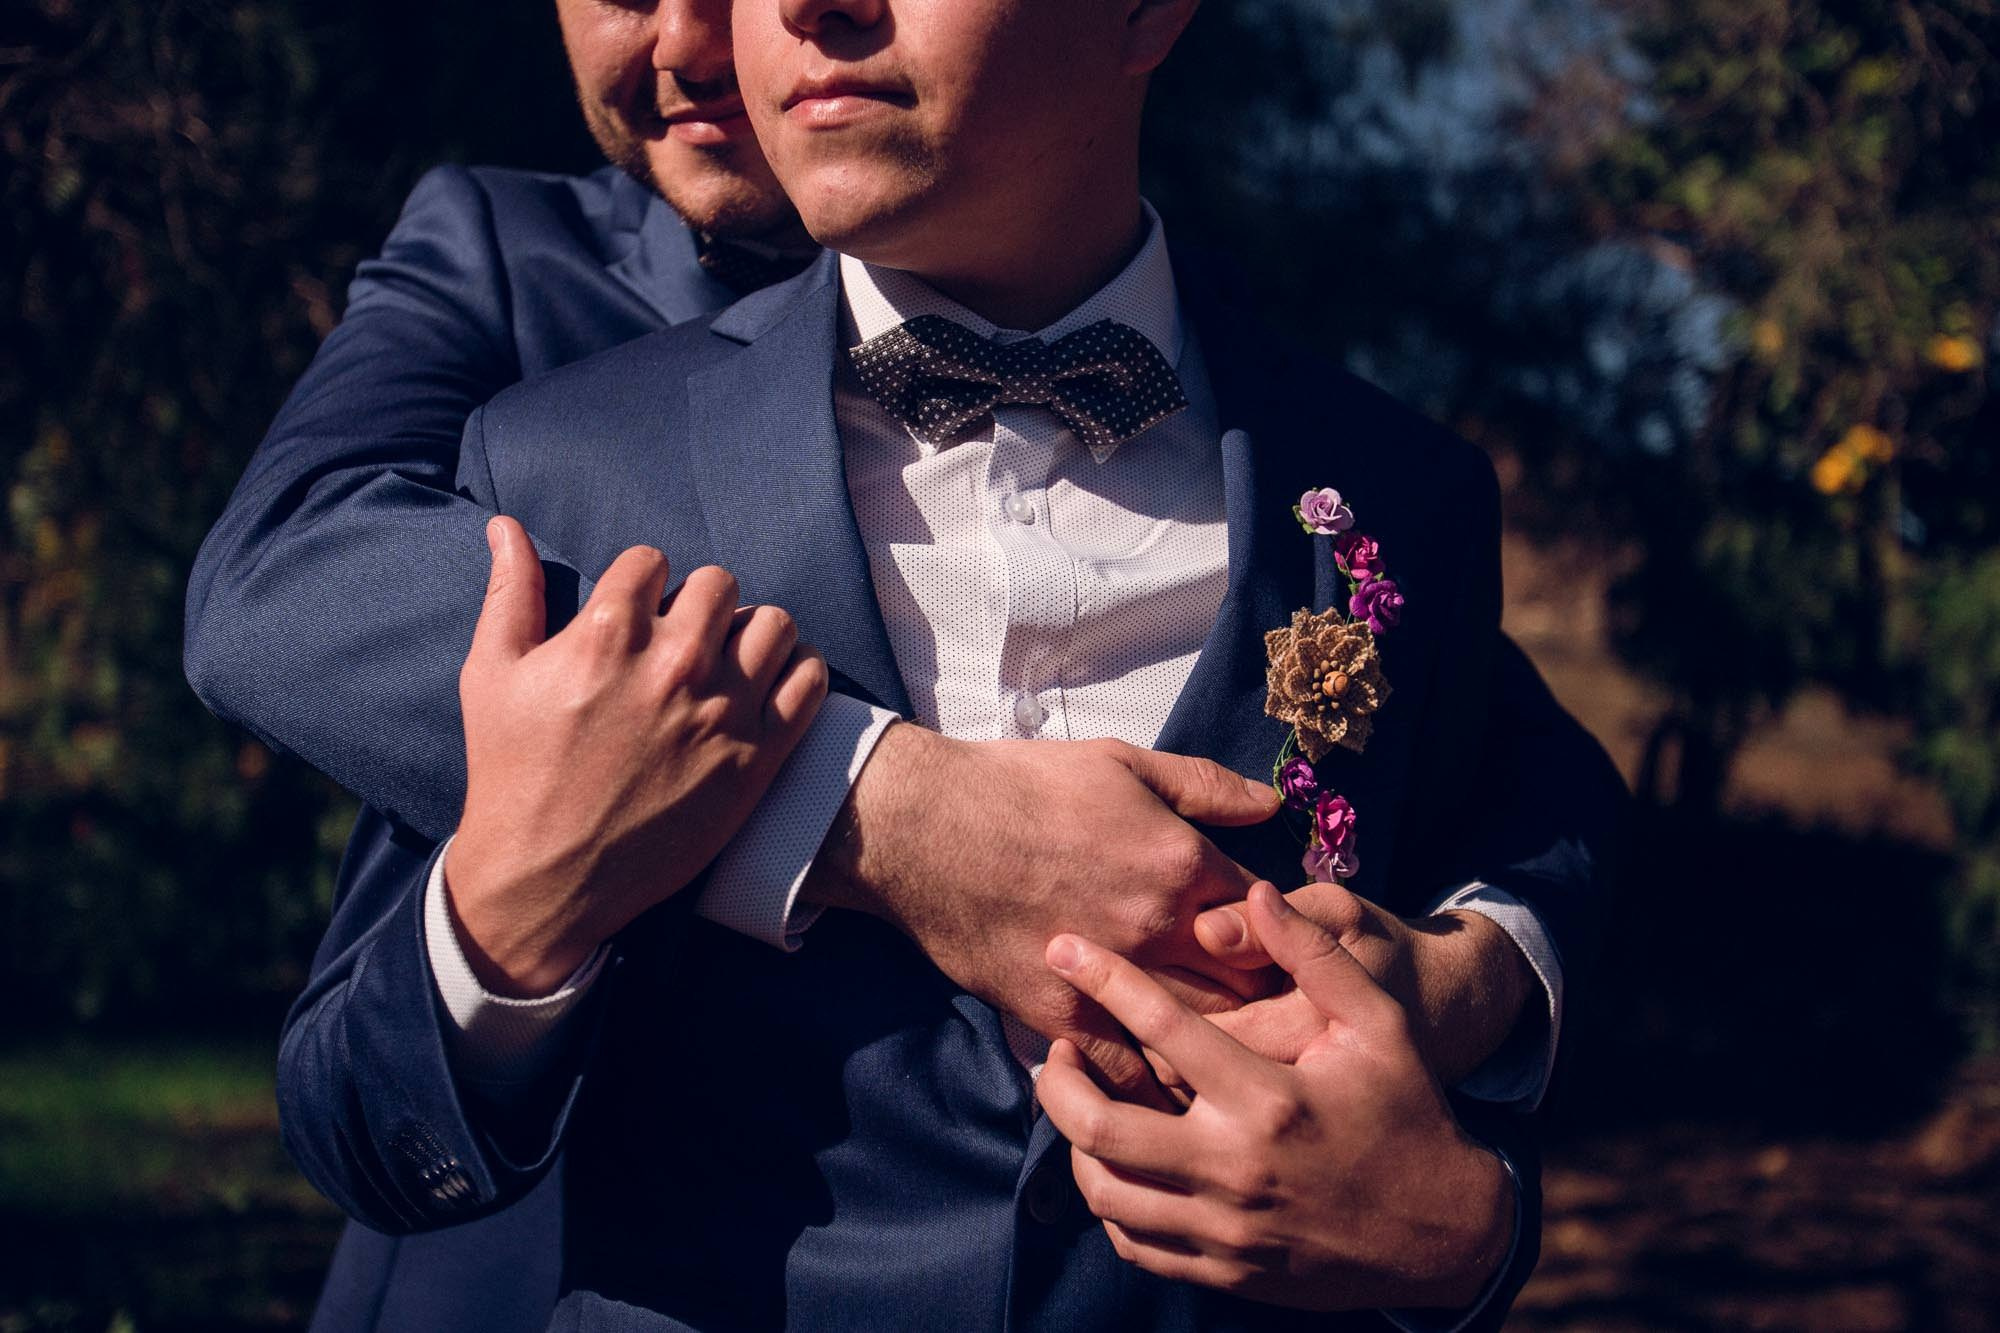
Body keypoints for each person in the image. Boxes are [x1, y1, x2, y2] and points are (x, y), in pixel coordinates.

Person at [185, 0, 1623, 1327]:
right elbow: (281, 584)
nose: (724, 22)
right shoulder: (545, 436)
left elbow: (1532, 793)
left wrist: (1471, 1216)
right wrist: (848, 809)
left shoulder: (1377, 484)